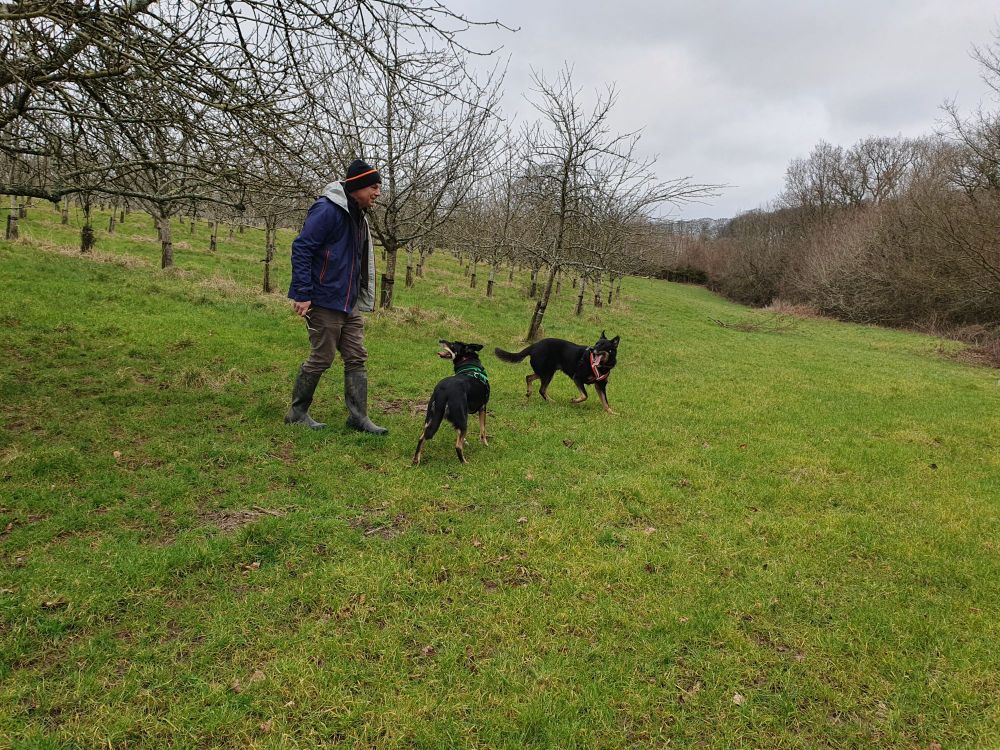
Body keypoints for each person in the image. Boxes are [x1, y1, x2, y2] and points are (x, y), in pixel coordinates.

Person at [285, 159, 388, 434]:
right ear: (358, 186)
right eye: (374, 187)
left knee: (356, 356)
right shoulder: (327, 210)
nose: (378, 193)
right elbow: (302, 248)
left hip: (347, 301)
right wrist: (302, 293)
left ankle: (358, 418)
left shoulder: (358, 214)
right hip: (323, 298)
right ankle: (297, 414)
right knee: (322, 356)